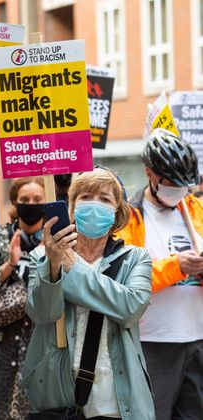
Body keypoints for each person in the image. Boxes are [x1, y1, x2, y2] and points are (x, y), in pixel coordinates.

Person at [22, 168, 154, 419]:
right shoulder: (42, 256)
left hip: (116, 397)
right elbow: (42, 314)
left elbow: (129, 309)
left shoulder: (136, 258)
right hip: (61, 393)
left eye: (105, 199)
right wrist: (53, 265)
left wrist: (74, 266)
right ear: (71, 208)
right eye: (85, 197)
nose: (94, 204)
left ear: (117, 213)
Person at [115, 128, 203, 419]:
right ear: (150, 173)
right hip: (153, 341)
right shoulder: (130, 216)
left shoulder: (196, 209)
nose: (179, 189)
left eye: (184, 183)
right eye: (171, 182)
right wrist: (177, 266)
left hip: (197, 337)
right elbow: (127, 278)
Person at [0, 177, 45, 420]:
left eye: (37, 200)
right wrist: (9, 264)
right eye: (24, 200)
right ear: (15, 202)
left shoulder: (57, 242)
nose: (31, 204)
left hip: (37, 341)